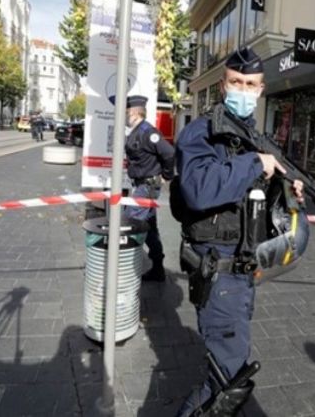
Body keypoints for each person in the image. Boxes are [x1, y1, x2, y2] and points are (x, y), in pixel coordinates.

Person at [174, 47, 304, 416]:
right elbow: (198, 189)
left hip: (242, 272)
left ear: (261, 90)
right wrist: (253, 163)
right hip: (219, 271)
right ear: (222, 84)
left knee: (229, 368)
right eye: (236, 82)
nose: (243, 90)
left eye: (251, 84)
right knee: (226, 382)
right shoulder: (204, 132)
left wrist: (288, 189)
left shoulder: (250, 135)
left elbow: (255, 195)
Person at [123, 95, 175, 282]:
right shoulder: (137, 131)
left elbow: (169, 152)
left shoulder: (148, 132)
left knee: (129, 224)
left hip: (147, 187)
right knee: (150, 230)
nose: (123, 115)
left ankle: (125, 273)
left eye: (126, 112)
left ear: (135, 112)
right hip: (142, 185)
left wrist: (167, 175)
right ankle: (158, 269)